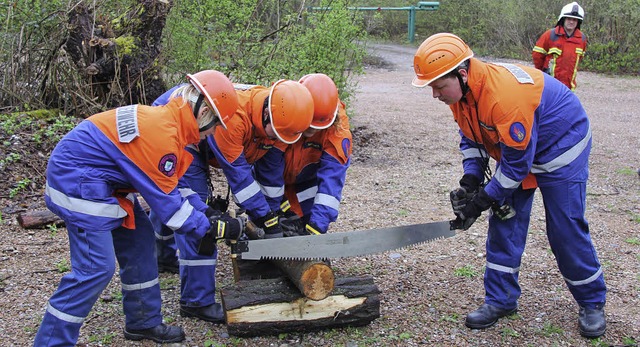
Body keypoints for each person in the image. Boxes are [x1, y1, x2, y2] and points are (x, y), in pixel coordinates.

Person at [412, 33, 607, 338]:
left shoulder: (503, 97)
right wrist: (471, 180)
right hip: (520, 149)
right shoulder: (462, 94)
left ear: (462, 74)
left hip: (561, 146)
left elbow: (516, 168)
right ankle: (500, 300)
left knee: (565, 227)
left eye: (438, 87)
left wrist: (483, 200)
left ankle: (592, 302)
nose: (435, 95)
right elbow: (472, 137)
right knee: (505, 220)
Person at [33, 70, 242, 345]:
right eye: (216, 125)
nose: (214, 133)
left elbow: (173, 187)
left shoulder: (173, 126)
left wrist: (206, 213)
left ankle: (143, 322)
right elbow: (173, 213)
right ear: (204, 112)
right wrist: (212, 227)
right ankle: (51, 342)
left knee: (141, 242)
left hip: (104, 182)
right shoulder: (163, 135)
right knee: (96, 268)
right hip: (77, 181)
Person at [149, 79, 314, 322]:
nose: (277, 140)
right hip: (183, 133)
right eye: (276, 135)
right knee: (199, 213)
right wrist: (265, 220)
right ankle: (197, 301)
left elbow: (271, 176)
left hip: (205, 133)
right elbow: (239, 177)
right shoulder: (234, 119)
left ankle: (163, 255)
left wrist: (274, 214)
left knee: (178, 201)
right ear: (266, 114)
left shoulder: (283, 124)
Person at [276, 73, 352, 236]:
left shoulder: (338, 132)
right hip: (273, 179)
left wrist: (317, 227)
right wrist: (279, 206)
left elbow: (332, 181)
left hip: (306, 180)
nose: (312, 130)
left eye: (318, 126)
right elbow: (266, 162)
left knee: (308, 225)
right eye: (309, 124)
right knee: (269, 224)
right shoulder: (283, 110)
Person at [532, 2, 587, 91]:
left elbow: (578, 60)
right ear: (563, 19)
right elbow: (537, 56)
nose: (571, 22)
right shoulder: (550, 35)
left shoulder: (582, 39)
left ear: (578, 22)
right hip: (550, 85)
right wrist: (542, 74)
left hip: (569, 87)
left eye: (575, 20)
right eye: (569, 19)